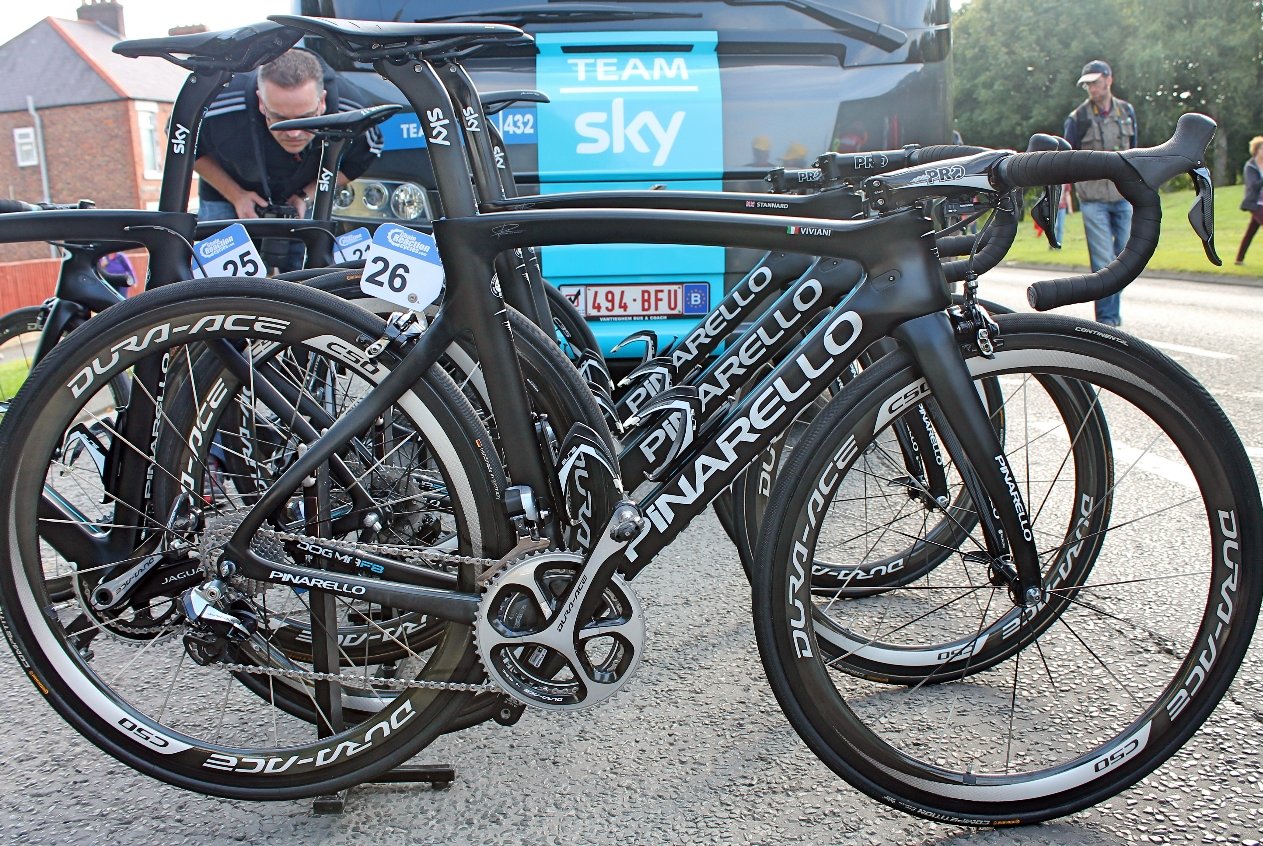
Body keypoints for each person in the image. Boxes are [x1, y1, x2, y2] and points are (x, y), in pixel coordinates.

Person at [193, 48, 381, 270]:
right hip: (229, 192)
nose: (294, 133)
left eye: (305, 119)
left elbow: (362, 158)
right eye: (280, 119)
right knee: (219, 288)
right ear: (261, 102)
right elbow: (185, 143)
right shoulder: (218, 103)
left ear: (322, 102)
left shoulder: (353, 111)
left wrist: (307, 195)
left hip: (302, 195)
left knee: (308, 279)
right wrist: (236, 195)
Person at [1063, 60, 1138, 327]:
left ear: (1108, 80)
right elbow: (1066, 160)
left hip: (1123, 196)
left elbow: (1134, 154)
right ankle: (1107, 322)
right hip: (1093, 199)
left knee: (1126, 261)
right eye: (1087, 84)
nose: (1092, 88)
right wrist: (1064, 192)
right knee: (1104, 264)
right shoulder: (1078, 118)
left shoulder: (1126, 112)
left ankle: (1111, 318)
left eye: (1095, 82)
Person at [1234, 136, 1263, 265]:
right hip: (1255, 203)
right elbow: (1253, 185)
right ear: (1256, 150)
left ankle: (1239, 259)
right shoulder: (1250, 166)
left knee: (1251, 231)